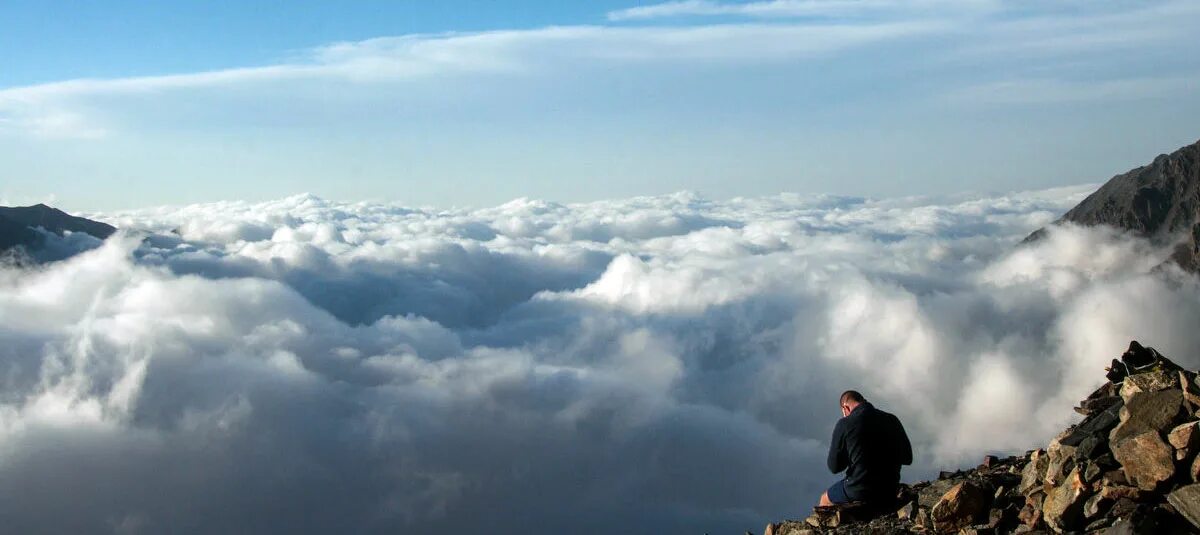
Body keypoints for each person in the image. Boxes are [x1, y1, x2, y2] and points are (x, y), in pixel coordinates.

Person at [819, 390, 912, 508]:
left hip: (859, 488)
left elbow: (834, 467)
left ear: (845, 408)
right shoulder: (891, 419)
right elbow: (907, 458)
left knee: (825, 499)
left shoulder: (845, 423)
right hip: (889, 487)